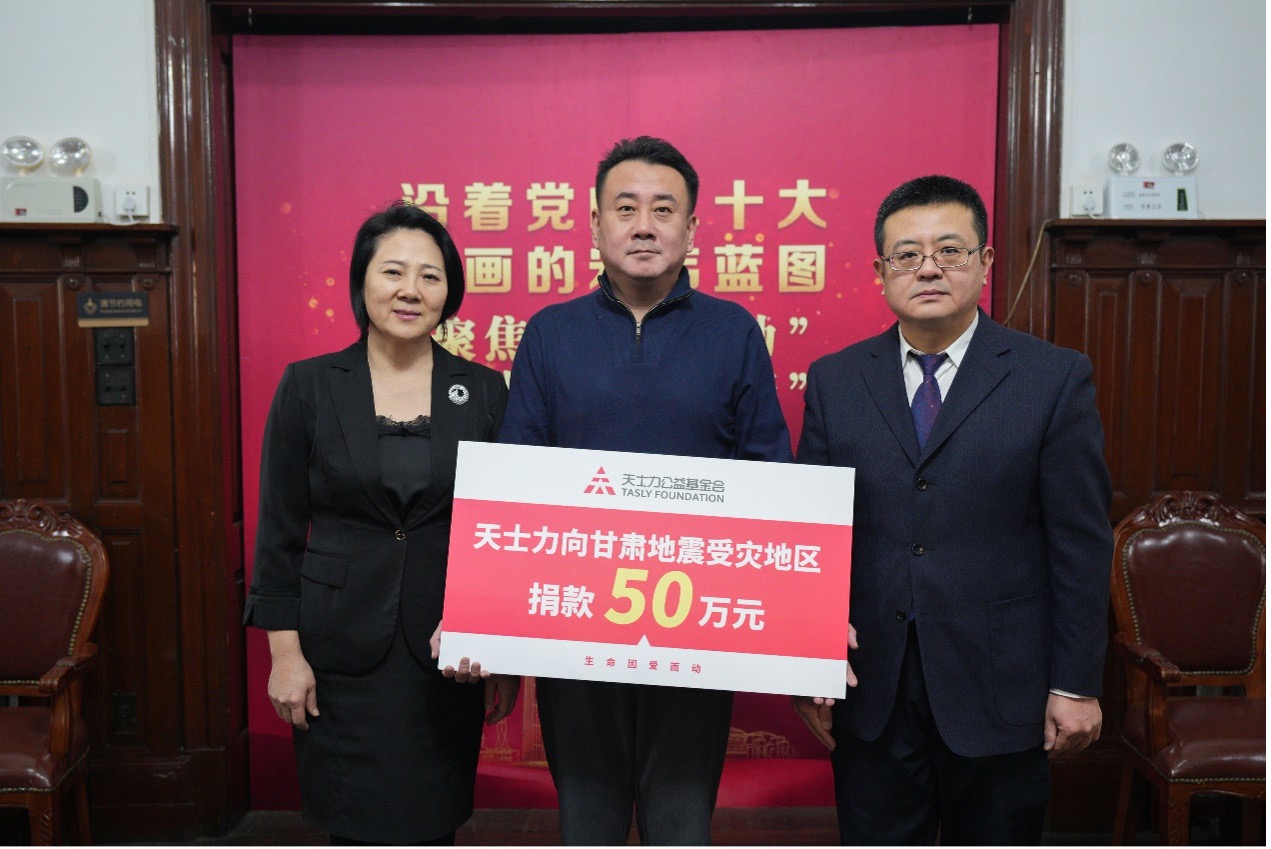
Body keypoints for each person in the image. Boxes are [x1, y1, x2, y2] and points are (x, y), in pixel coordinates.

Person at [792, 175, 1113, 845]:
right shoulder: (835, 380)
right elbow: (811, 539)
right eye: (907, 254)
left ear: (984, 261)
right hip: (872, 688)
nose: (929, 268)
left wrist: (1076, 683)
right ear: (880, 271)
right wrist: (806, 662)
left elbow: (1079, 545)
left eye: (949, 250)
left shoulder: (1052, 379)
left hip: (1002, 685)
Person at [499, 136, 793, 844]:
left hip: (697, 627)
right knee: (587, 822)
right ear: (594, 223)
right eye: (625, 208)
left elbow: (769, 474)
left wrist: (793, 617)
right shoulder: (550, 334)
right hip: (574, 625)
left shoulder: (732, 331)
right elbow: (516, 477)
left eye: (663, 210)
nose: (643, 226)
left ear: (692, 228)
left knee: (680, 824)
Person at [244, 202, 519, 845]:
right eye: (393, 271)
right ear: (362, 281)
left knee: (434, 821)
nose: (410, 290)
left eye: (430, 275)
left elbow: (502, 532)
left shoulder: (483, 391)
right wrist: (285, 656)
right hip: (336, 652)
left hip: (445, 653)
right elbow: (279, 532)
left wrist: (500, 651)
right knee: (349, 823)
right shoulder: (309, 386)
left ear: (449, 292)